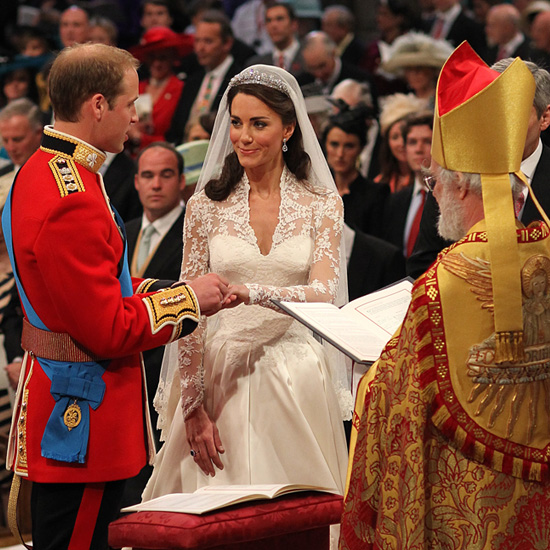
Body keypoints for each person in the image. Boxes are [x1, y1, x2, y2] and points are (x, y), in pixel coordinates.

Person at [3, 43, 233, 550]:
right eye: (131, 103)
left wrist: (163, 289)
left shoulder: (44, 169)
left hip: (64, 392)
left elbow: (94, 291)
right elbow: (108, 328)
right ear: (98, 105)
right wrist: (188, 302)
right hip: (83, 409)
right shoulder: (73, 199)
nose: (137, 116)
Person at [340, 42, 550, 550]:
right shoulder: (545, 247)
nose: (429, 191)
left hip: (467, 493)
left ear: (461, 188)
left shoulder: (446, 278)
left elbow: (394, 397)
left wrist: (368, 378)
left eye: (434, 181)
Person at [143, 65, 350, 501]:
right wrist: (193, 405)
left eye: (259, 124)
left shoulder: (323, 203)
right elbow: (188, 308)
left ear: (289, 128)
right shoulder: (205, 205)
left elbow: (324, 292)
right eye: (236, 123)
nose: (244, 136)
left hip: (295, 375)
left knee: (300, 514)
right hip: (221, 375)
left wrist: (253, 293)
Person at [407, 57, 550, 278]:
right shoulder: (455, 170)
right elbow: (423, 264)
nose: (500, 124)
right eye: (491, 111)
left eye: (513, 112)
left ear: (545, 117)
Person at [122, 142, 187, 507]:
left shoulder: (191, 232)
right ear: (136, 182)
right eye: (148, 175)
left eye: (165, 175)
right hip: (121, 367)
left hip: (164, 369)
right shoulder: (121, 230)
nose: (156, 184)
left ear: (181, 180)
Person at [166, 10, 243, 145]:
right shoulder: (192, 81)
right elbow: (176, 129)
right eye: (197, 41)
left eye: (208, 41)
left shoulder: (240, 81)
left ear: (227, 43)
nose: (200, 48)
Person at [323, 109, 389, 237]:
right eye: (334, 144)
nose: (340, 154)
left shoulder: (377, 194)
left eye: (349, 146)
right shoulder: (315, 190)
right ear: (325, 145)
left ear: (361, 148)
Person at [129, 26, 193, 150]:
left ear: (173, 58)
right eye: (152, 57)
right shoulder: (137, 87)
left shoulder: (182, 89)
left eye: (162, 58)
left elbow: (176, 135)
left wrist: (140, 138)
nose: (157, 63)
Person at [383, 110, 433, 257]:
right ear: (404, 149)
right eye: (412, 142)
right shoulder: (396, 201)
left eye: (427, 141)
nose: (418, 149)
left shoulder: (450, 199)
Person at [375, 92, 427, 192]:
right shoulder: (380, 181)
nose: (401, 143)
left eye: (406, 137)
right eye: (395, 137)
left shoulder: (427, 183)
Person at [382, 32, 453, 104]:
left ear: (432, 70)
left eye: (419, 68)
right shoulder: (400, 105)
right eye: (409, 69)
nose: (414, 74)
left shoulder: (445, 102)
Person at [246, 2, 306, 75]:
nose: (273, 25)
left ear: (294, 24)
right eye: (269, 20)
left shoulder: (309, 58)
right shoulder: (256, 66)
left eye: (279, 19)